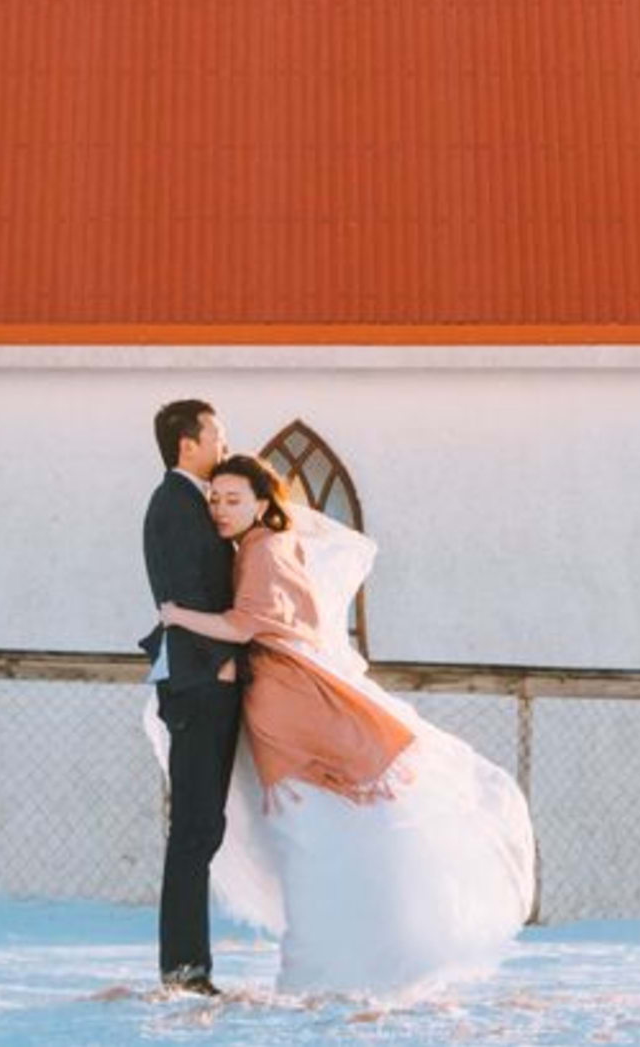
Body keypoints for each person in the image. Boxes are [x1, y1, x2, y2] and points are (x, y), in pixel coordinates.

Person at [152, 453, 535, 997]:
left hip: (293, 702)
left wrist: (177, 615)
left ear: (262, 504)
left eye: (233, 500)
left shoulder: (263, 550)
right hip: (282, 698)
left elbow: (244, 624)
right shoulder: (261, 546)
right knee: (309, 835)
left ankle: (316, 969)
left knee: (305, 835)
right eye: (215, 499)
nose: (220, 509)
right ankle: (329, 963)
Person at [137, 399, 239, 994]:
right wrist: (223, 662)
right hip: (201, 684)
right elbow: (185, 594)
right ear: (187, 444)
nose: (224, 444)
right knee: (194, 829)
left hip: (208, 681)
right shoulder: (174, 506)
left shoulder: (191, 503)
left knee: (204, 827)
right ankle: (183, 967)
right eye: (216, 435)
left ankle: (188, 964)